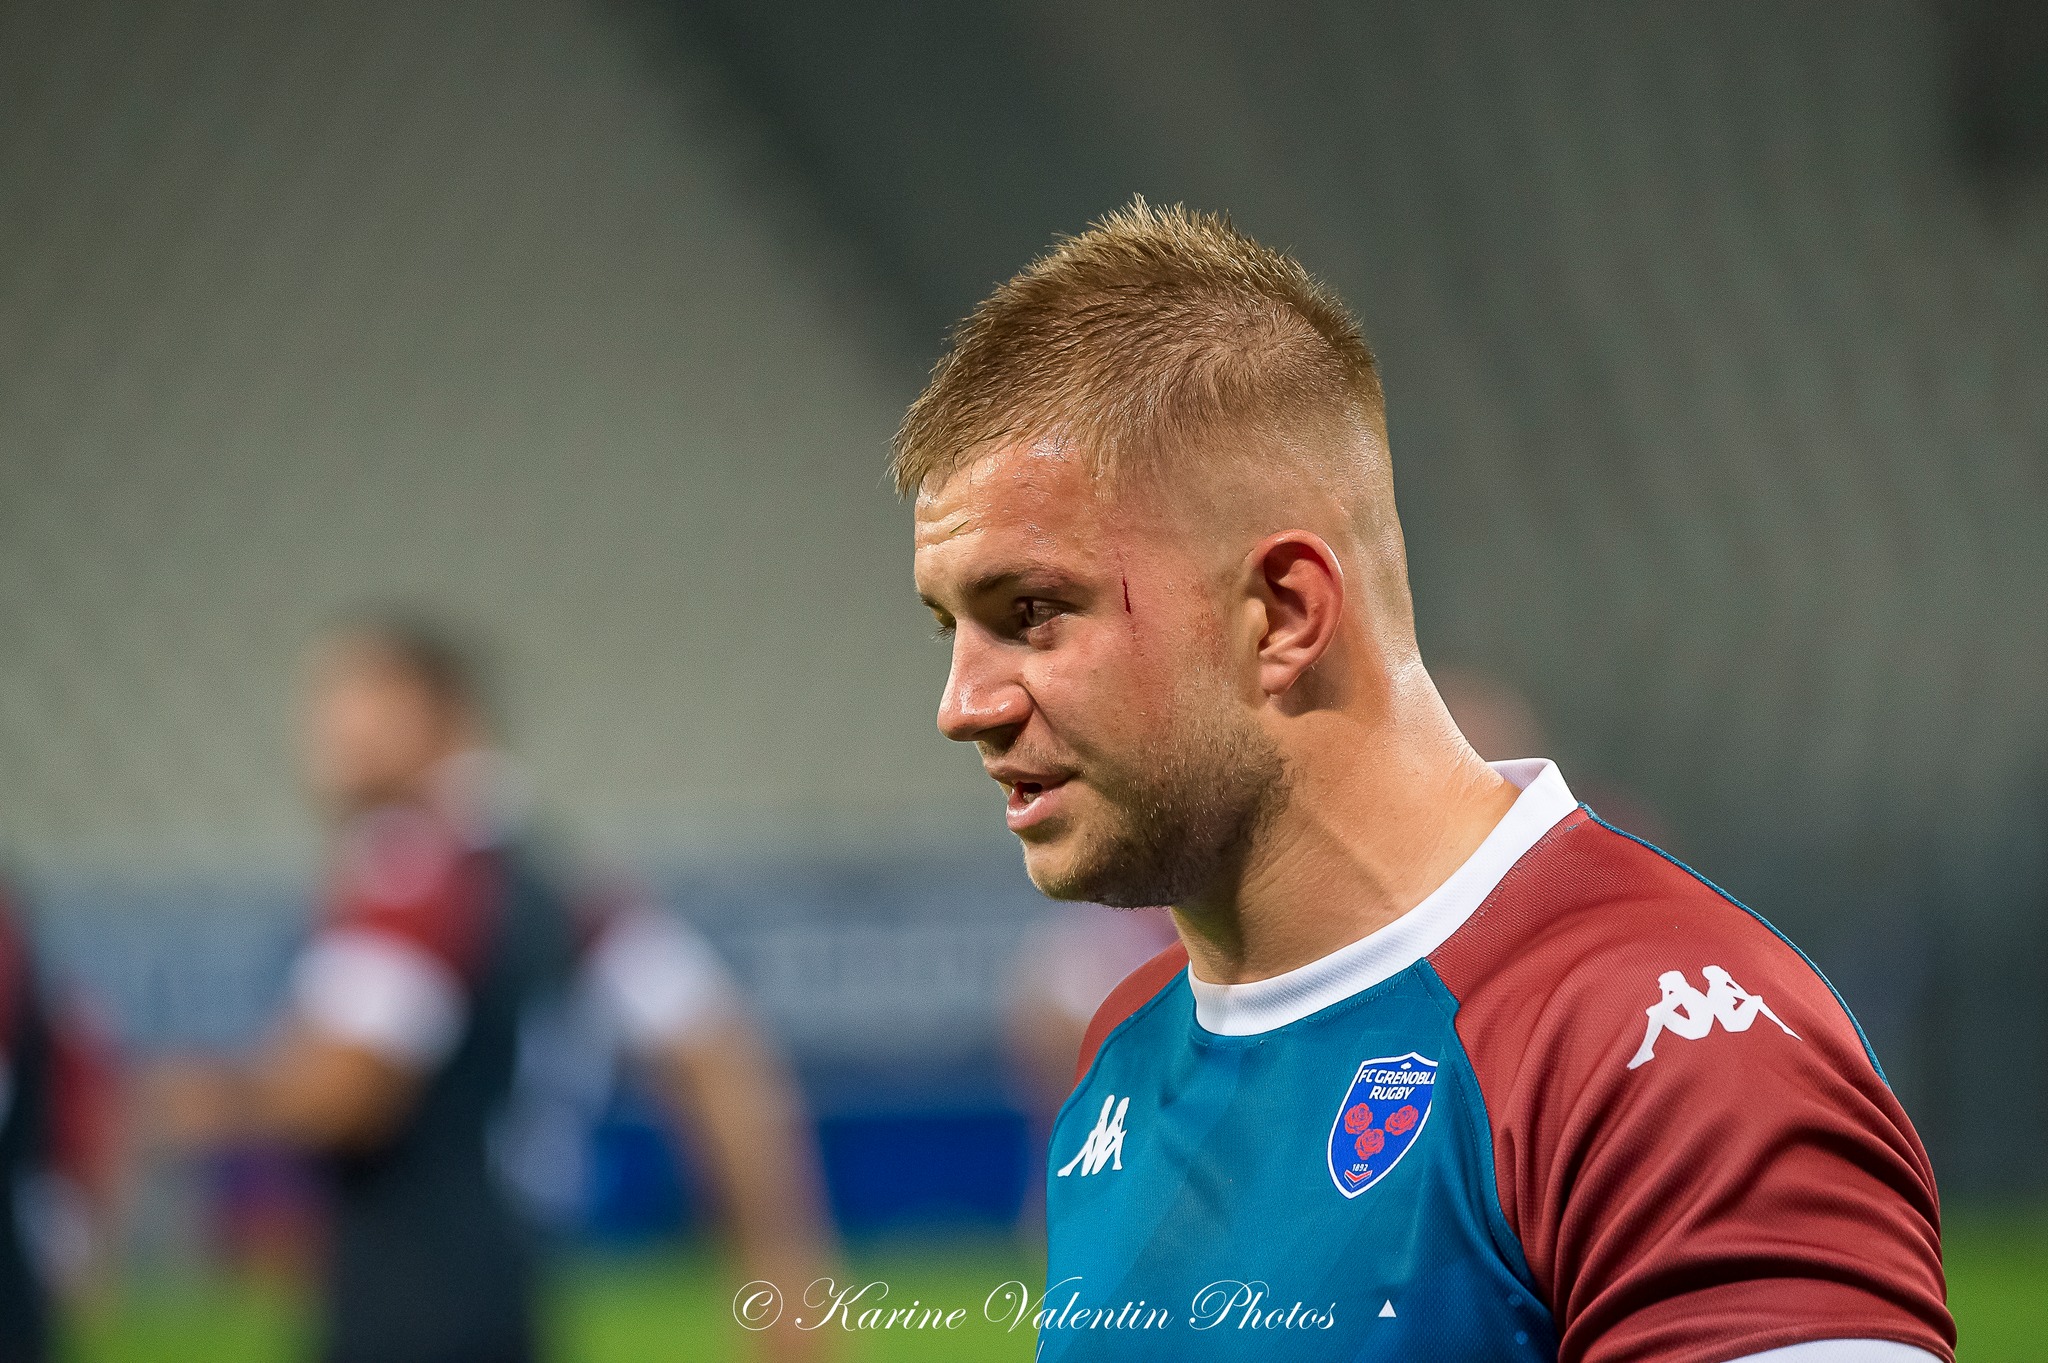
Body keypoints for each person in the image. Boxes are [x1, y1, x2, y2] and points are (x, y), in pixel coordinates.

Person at [897, 201, 1952, 1362]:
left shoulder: (1661, 1048)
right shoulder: (1121, 1053)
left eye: (1031, 613)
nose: (963, 705)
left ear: (1283, 614)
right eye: (950, 626)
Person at [152, 617, 836, 1363]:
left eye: (350, 698)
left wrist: (203, 1102)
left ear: (438, 710)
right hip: (512, 1280)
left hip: (407, 1298)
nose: (321, 730)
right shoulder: (557, 884)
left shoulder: (410, 871)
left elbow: (345, 1094)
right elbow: (718, 1052)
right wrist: (783, 1273)